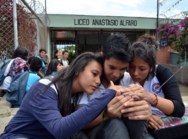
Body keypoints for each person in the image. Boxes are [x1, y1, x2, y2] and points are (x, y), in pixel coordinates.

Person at [0, 52, 132, 139]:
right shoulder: (45, 88)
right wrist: (109, 93)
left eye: (100, 77)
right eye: (94, 74)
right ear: (78, 70)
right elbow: (60, 129)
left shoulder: (75, 95)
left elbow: (77, 122)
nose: (97, 81)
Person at [79, 33, 151, 139]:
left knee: (137, 118)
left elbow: (141, 109)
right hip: (95, 131)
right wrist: (106, 114)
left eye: (122, 69)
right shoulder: (89, 80)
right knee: (115, 124)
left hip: (125, 129)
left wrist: (145, 111)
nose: (116, 74)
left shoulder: (128, 80)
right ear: (103, 57)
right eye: (112, 67)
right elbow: (77, 123)